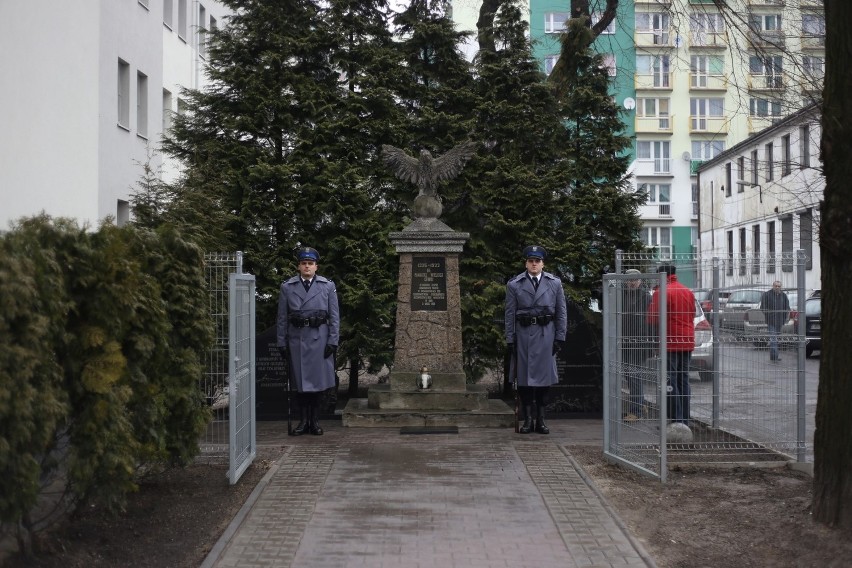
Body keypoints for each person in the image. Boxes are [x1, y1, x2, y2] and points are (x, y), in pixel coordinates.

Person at [505, 245, 568, 434]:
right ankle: (527, 420)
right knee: (524, 380)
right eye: (531, 261)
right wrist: (510, 339)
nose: (534, 264)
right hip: (523, 336)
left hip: (545, 335)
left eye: (537, 261)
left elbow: (561, 312)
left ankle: (541, 420)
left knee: (544, 380)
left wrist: (560, 337)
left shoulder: (554, 283)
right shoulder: (514, 284)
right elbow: (509, 313)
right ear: (526, 263)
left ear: (543, 263)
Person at [277, 247, 340, 436]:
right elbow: (282, 318)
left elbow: (335, 316)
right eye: (304, 263)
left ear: (316, 267)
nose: (307, 266)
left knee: (317, 384)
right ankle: (303, 421)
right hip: (298, 340)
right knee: (300, 385)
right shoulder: (287, 287)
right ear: (299, 266)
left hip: (319, 340)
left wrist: (333, 341)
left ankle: (315, 421)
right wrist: (281, 343)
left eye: (310, 264)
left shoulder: (327, 286)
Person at [646, 264, 695, 426]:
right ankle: (685, 419)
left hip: (669, 342)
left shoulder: (661, 292)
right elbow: (692, 313)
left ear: (661, 275)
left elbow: (652, 319)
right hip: (687, 341)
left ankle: (676, 419)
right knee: (683, 379)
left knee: (670, 380)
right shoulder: (687, 291)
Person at [622, 269, 651, 420]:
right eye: (630, 279)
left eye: (635, 279)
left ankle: (636, 411)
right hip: (625, 339)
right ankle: (639, 403)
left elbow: (651, 320)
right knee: (628, 373)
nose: (632, 282)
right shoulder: (622, 295)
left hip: (639, 340)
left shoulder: (646, 296)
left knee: (634, 374)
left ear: (640, 281)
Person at [759, 281, 790, 362]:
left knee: (775, 339)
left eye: (779, 286)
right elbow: (763, 307)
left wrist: (784, 316)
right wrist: (769, 315)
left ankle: (773, 356)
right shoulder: (767, 295)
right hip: (771, 321)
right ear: (772, 286)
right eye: (775, 286)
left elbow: (787, 307)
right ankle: (775, 357)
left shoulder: (783, 296)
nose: (777, 287)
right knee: (773, 339)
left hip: (780, 321)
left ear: (781, 287)